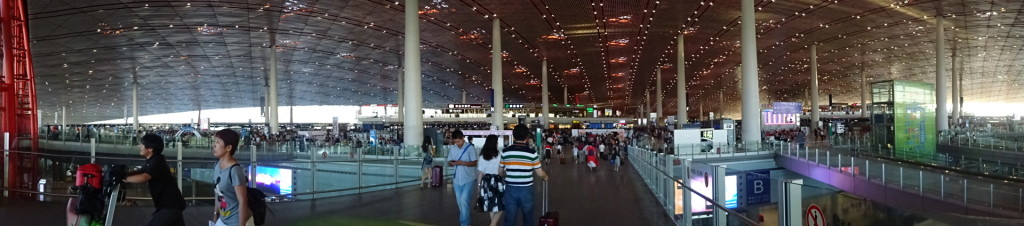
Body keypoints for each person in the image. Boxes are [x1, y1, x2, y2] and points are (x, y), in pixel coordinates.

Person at [124, 134, 186, 226]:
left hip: (170, 205)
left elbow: (144, 177)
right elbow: (140, 171)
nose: (140, 146)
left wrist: (126, 179)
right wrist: (125, 174)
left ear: (150, 149)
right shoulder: (152, 160)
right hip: (170, 205)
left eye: (142, 144)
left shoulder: (157, 161)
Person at [500, 124, 550, 226]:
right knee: (528, 218)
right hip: (526, 189)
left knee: (509, 218)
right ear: (527, 138)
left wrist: (507, 175)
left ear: (513, 136)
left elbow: (500, 171)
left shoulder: (505, 152)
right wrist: (545, 177)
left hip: (510, 188)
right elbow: (539, 172)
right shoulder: (531, 153)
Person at [211, 129, 252, 226]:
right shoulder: (217, 165)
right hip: (222, 219)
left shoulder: (235, 171)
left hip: (234, 221)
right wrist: (215, 214)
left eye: (218, 142)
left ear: (228, 147)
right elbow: (219, 194)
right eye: (214, 141)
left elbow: (243, 201)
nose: (214, 145)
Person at [447, 130, 478, 226]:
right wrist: (452, 163)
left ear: (463, 138)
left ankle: (464, 223)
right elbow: (449, 161)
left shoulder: (470, 148)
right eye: (455, 142)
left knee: (464, 201)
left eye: (458, 141)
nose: (457, 144)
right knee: (460, 202)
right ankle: (466, 221)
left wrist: (462, 163)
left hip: (469, 179)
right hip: (457, 180)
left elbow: (474, 162)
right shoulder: (453, 149)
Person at [476, 135, 505, 226]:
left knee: (491, 206)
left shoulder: (482, 156)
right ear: (495, 143)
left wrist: (479, 185)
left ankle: (493, 224)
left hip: (486, 182)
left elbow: (481, 172)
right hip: (497, 181)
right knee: (501, 206)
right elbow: (502, 171)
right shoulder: (499, 155)